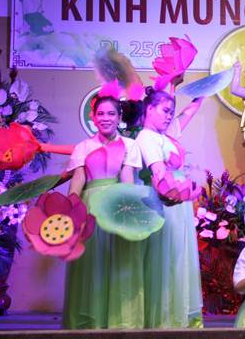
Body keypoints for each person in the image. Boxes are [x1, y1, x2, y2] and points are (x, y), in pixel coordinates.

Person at [63, 95, 144, 329]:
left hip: (117, 204)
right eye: (100, 113)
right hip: (90, 208)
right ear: (94, 117)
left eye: (111, 113)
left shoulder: (130, 145)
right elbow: (78, 179)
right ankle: (90, 322)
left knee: (120, 261)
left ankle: (121, 322)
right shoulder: (83, 146)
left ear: (119, 117)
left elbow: (127, 178)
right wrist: (70, 208)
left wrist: (130, 209)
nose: (105, 118)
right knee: (91, 263)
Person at [135, 88, 204, 327]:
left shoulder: (165, 136)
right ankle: (163, 320)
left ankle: (178, 316)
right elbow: (158, 171)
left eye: (171, 112)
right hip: (165, 198)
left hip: (178, 201)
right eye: (165, 111)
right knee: (165, 258)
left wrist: (203, 93)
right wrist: (172, 193)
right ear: (149, 109)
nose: (169, 116)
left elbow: (188, 113)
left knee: (177, 256)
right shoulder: (146, 137)